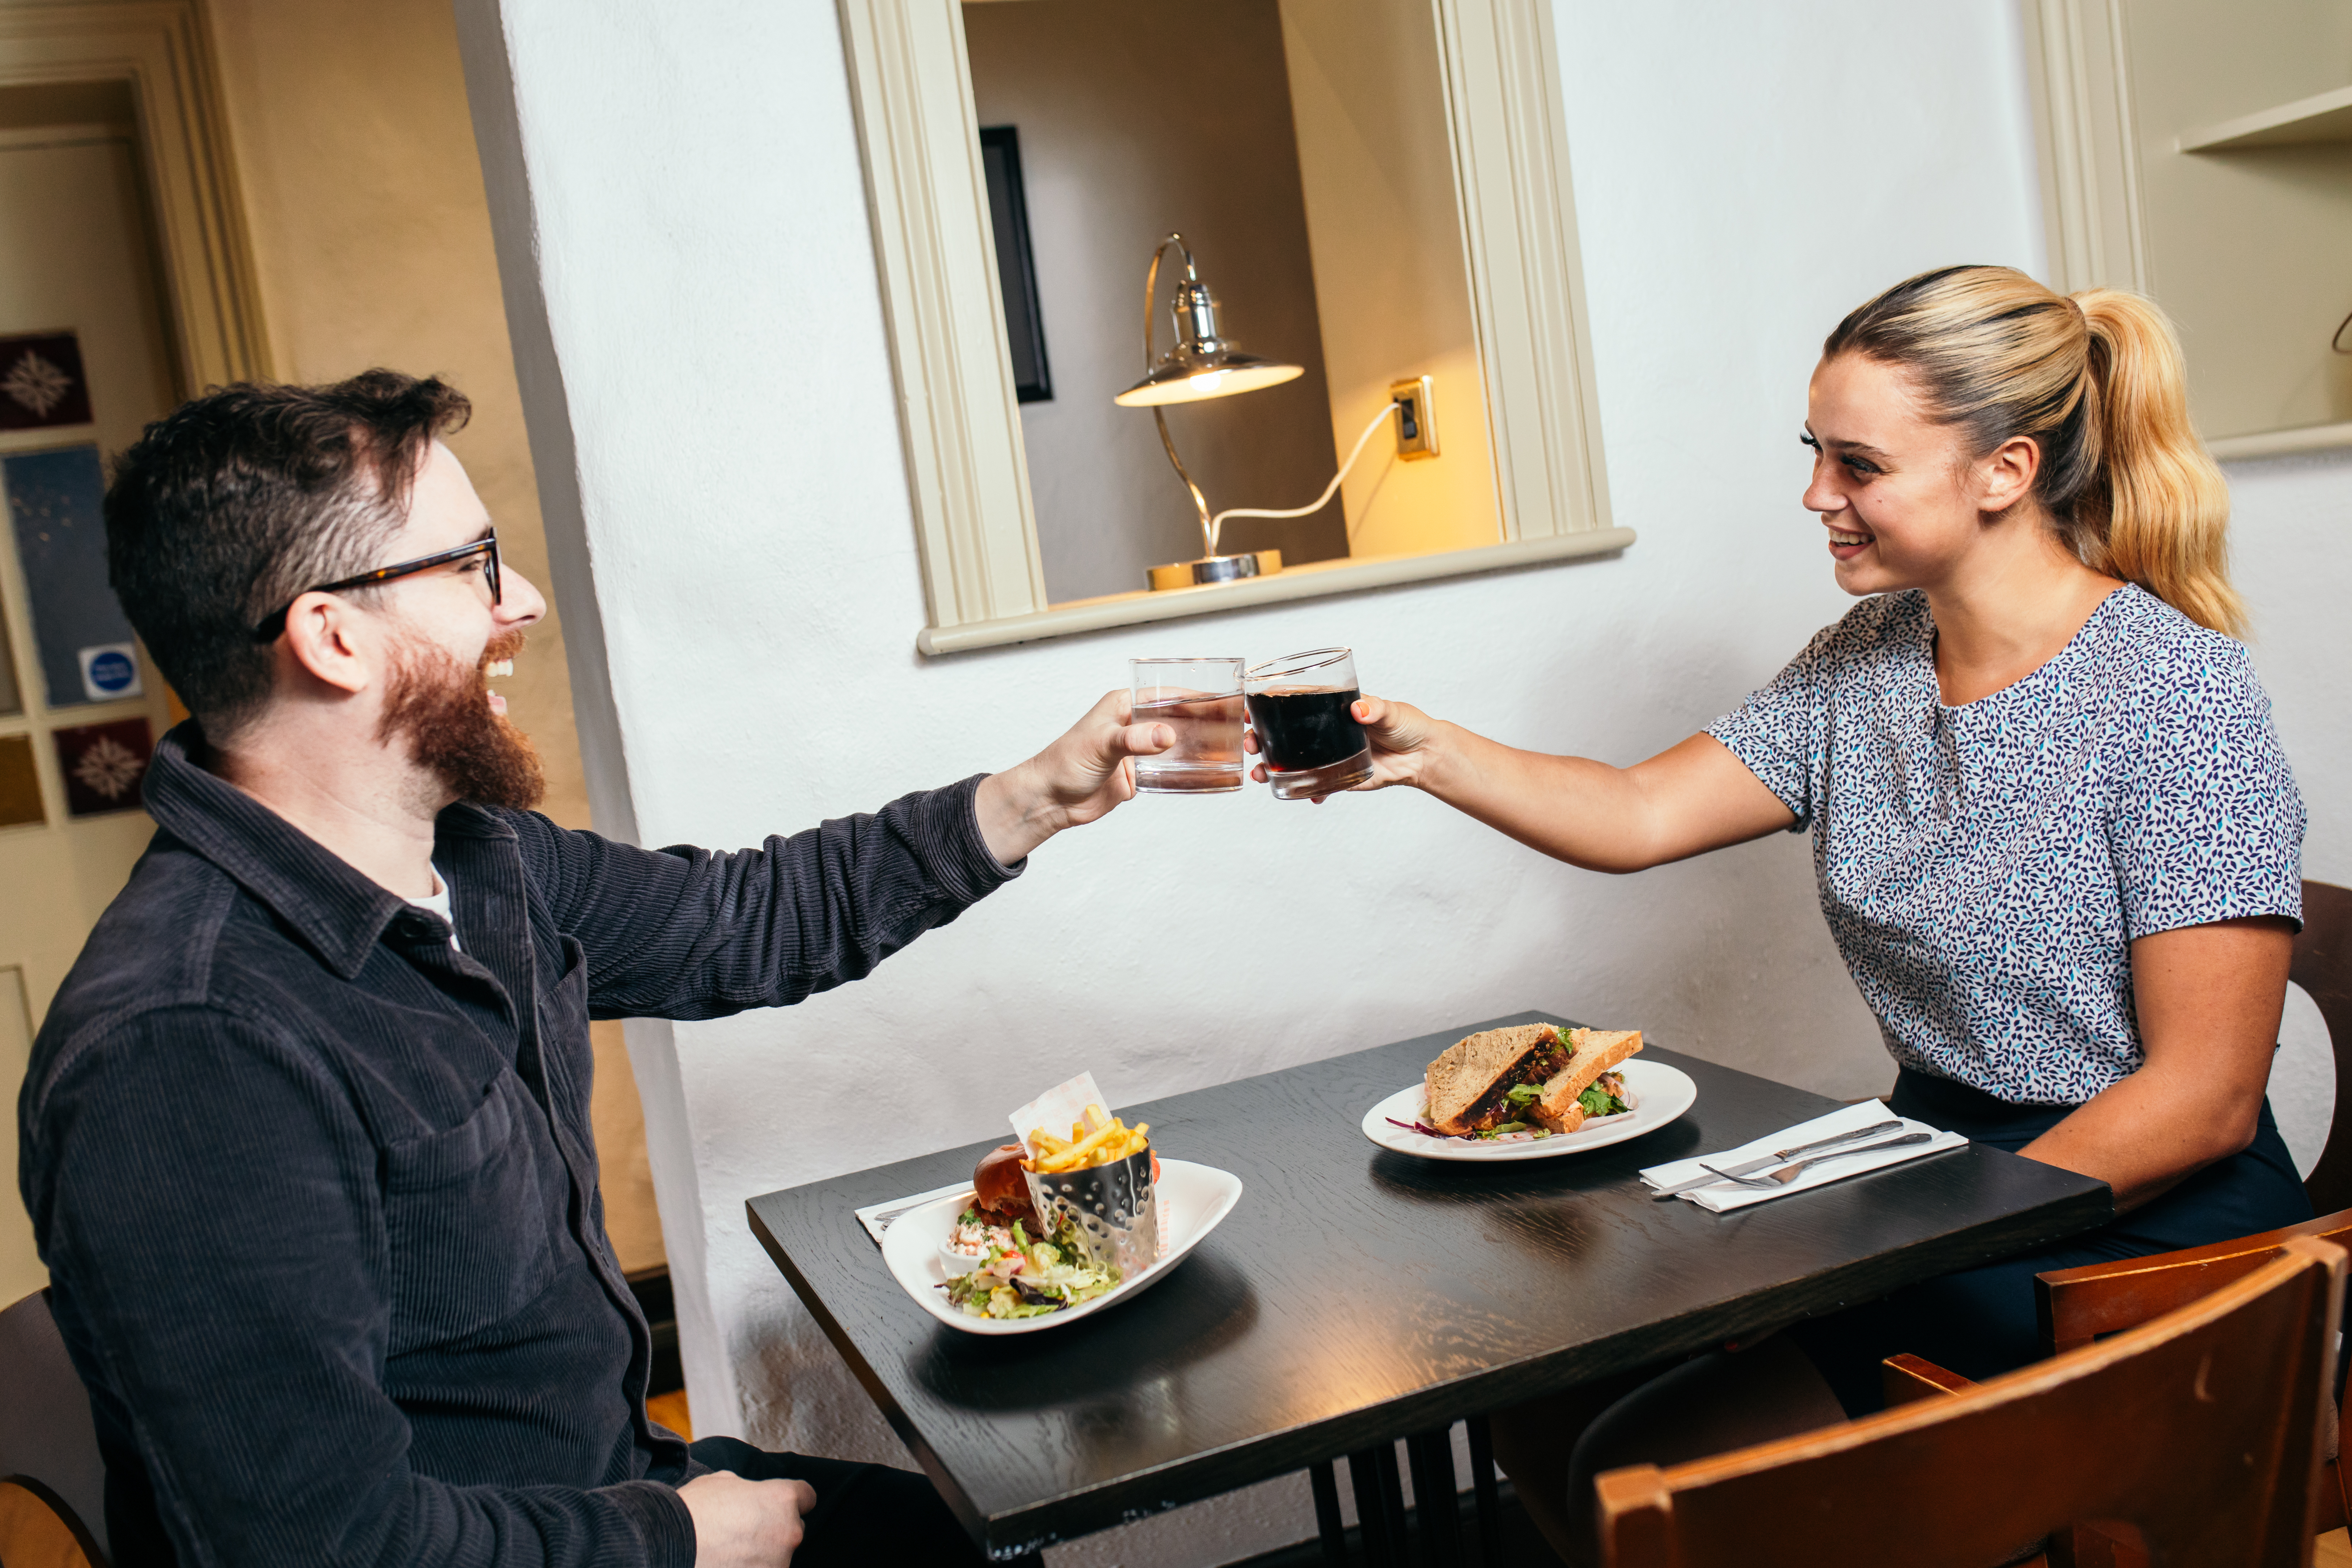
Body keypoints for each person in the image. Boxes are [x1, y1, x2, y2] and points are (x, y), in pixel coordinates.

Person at [18, 371, 1176, 1567]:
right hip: (542, 1546)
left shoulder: (480, 862)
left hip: (606, 1490)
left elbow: (742, 919)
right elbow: (321, 1548)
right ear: (333, 636)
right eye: (473, 564)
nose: (518, 601)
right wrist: (667, 1542)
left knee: (982, 1533)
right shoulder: (186, 1044)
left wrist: (1027, 802)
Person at [1259, 266, 2308, 1561]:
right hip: (1938, 1169)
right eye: (1815, 454)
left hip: (2136, 1219)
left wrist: (1900, 1240)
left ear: (2004, 470)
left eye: (1857, 464)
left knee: (1657, 1473)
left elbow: (2202, 1097)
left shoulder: (2173, 696)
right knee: (1545, 1384)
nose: (1817, 495)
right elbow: (1639, 813)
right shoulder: (1862, 663)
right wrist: (1417, 749)